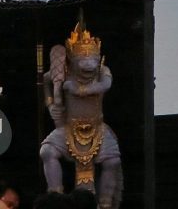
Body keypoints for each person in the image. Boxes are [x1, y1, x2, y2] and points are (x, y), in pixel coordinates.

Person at [40, 22, 122, 209]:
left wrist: (81, 90)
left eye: (93, 59)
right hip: (69, 127)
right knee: (47, 152)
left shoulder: (102, 71)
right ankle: (55, 195)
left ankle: (105, 203)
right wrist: (50, 102)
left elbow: (105, 86)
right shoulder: (64, 72)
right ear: (72, 60)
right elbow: (45, 80)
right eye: (83, 61)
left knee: (113, 160)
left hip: (97, 128)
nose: (89, 65)